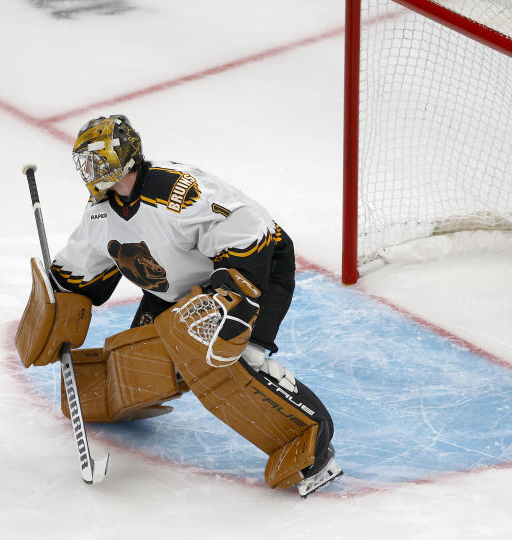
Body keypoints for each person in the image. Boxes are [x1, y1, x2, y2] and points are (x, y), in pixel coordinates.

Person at [44, 114, 341, 496]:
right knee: (140, 364)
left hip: (255, 264)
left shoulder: (177, 191)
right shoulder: (101, 210)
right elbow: (80, 267)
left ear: (125, 155)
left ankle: (310, 443)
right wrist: (58, 299)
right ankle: (106, 396)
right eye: (85, 162)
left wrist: (234, 295)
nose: (90, 170)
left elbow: (251, 227)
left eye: (98, 159)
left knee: (228, 360)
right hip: (178, 285)